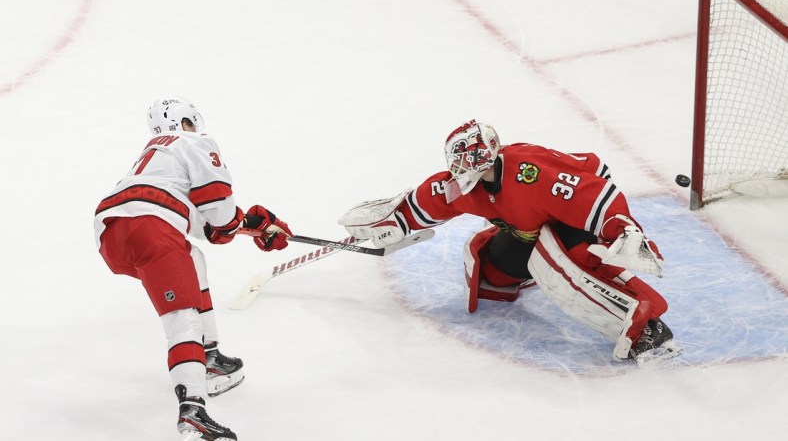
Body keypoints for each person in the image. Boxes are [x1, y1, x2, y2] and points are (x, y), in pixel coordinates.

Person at [338, 119, 682, 365]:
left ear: (486, 154)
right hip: (530, 226)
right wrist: (392, 221)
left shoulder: (529, 175)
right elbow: (430, 199)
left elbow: (594, 197)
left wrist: (622, 231)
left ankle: (647, 330)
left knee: (557, 266)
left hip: (574, 218)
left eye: (466, 158)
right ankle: (542, 264)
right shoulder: (466, 185)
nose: (459, 166)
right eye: (456, 160)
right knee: (490, 272)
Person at [94, 96, 292, 440]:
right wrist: (242, 223)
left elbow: (206, 227)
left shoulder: (155, 155)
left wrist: (253, 225)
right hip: (151, 227)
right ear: (185, 122)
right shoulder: (194, 143)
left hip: (112, 232)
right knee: (181, 317)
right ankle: (194, 414)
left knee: (192, 259)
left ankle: (209, 357)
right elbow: (218, 209)